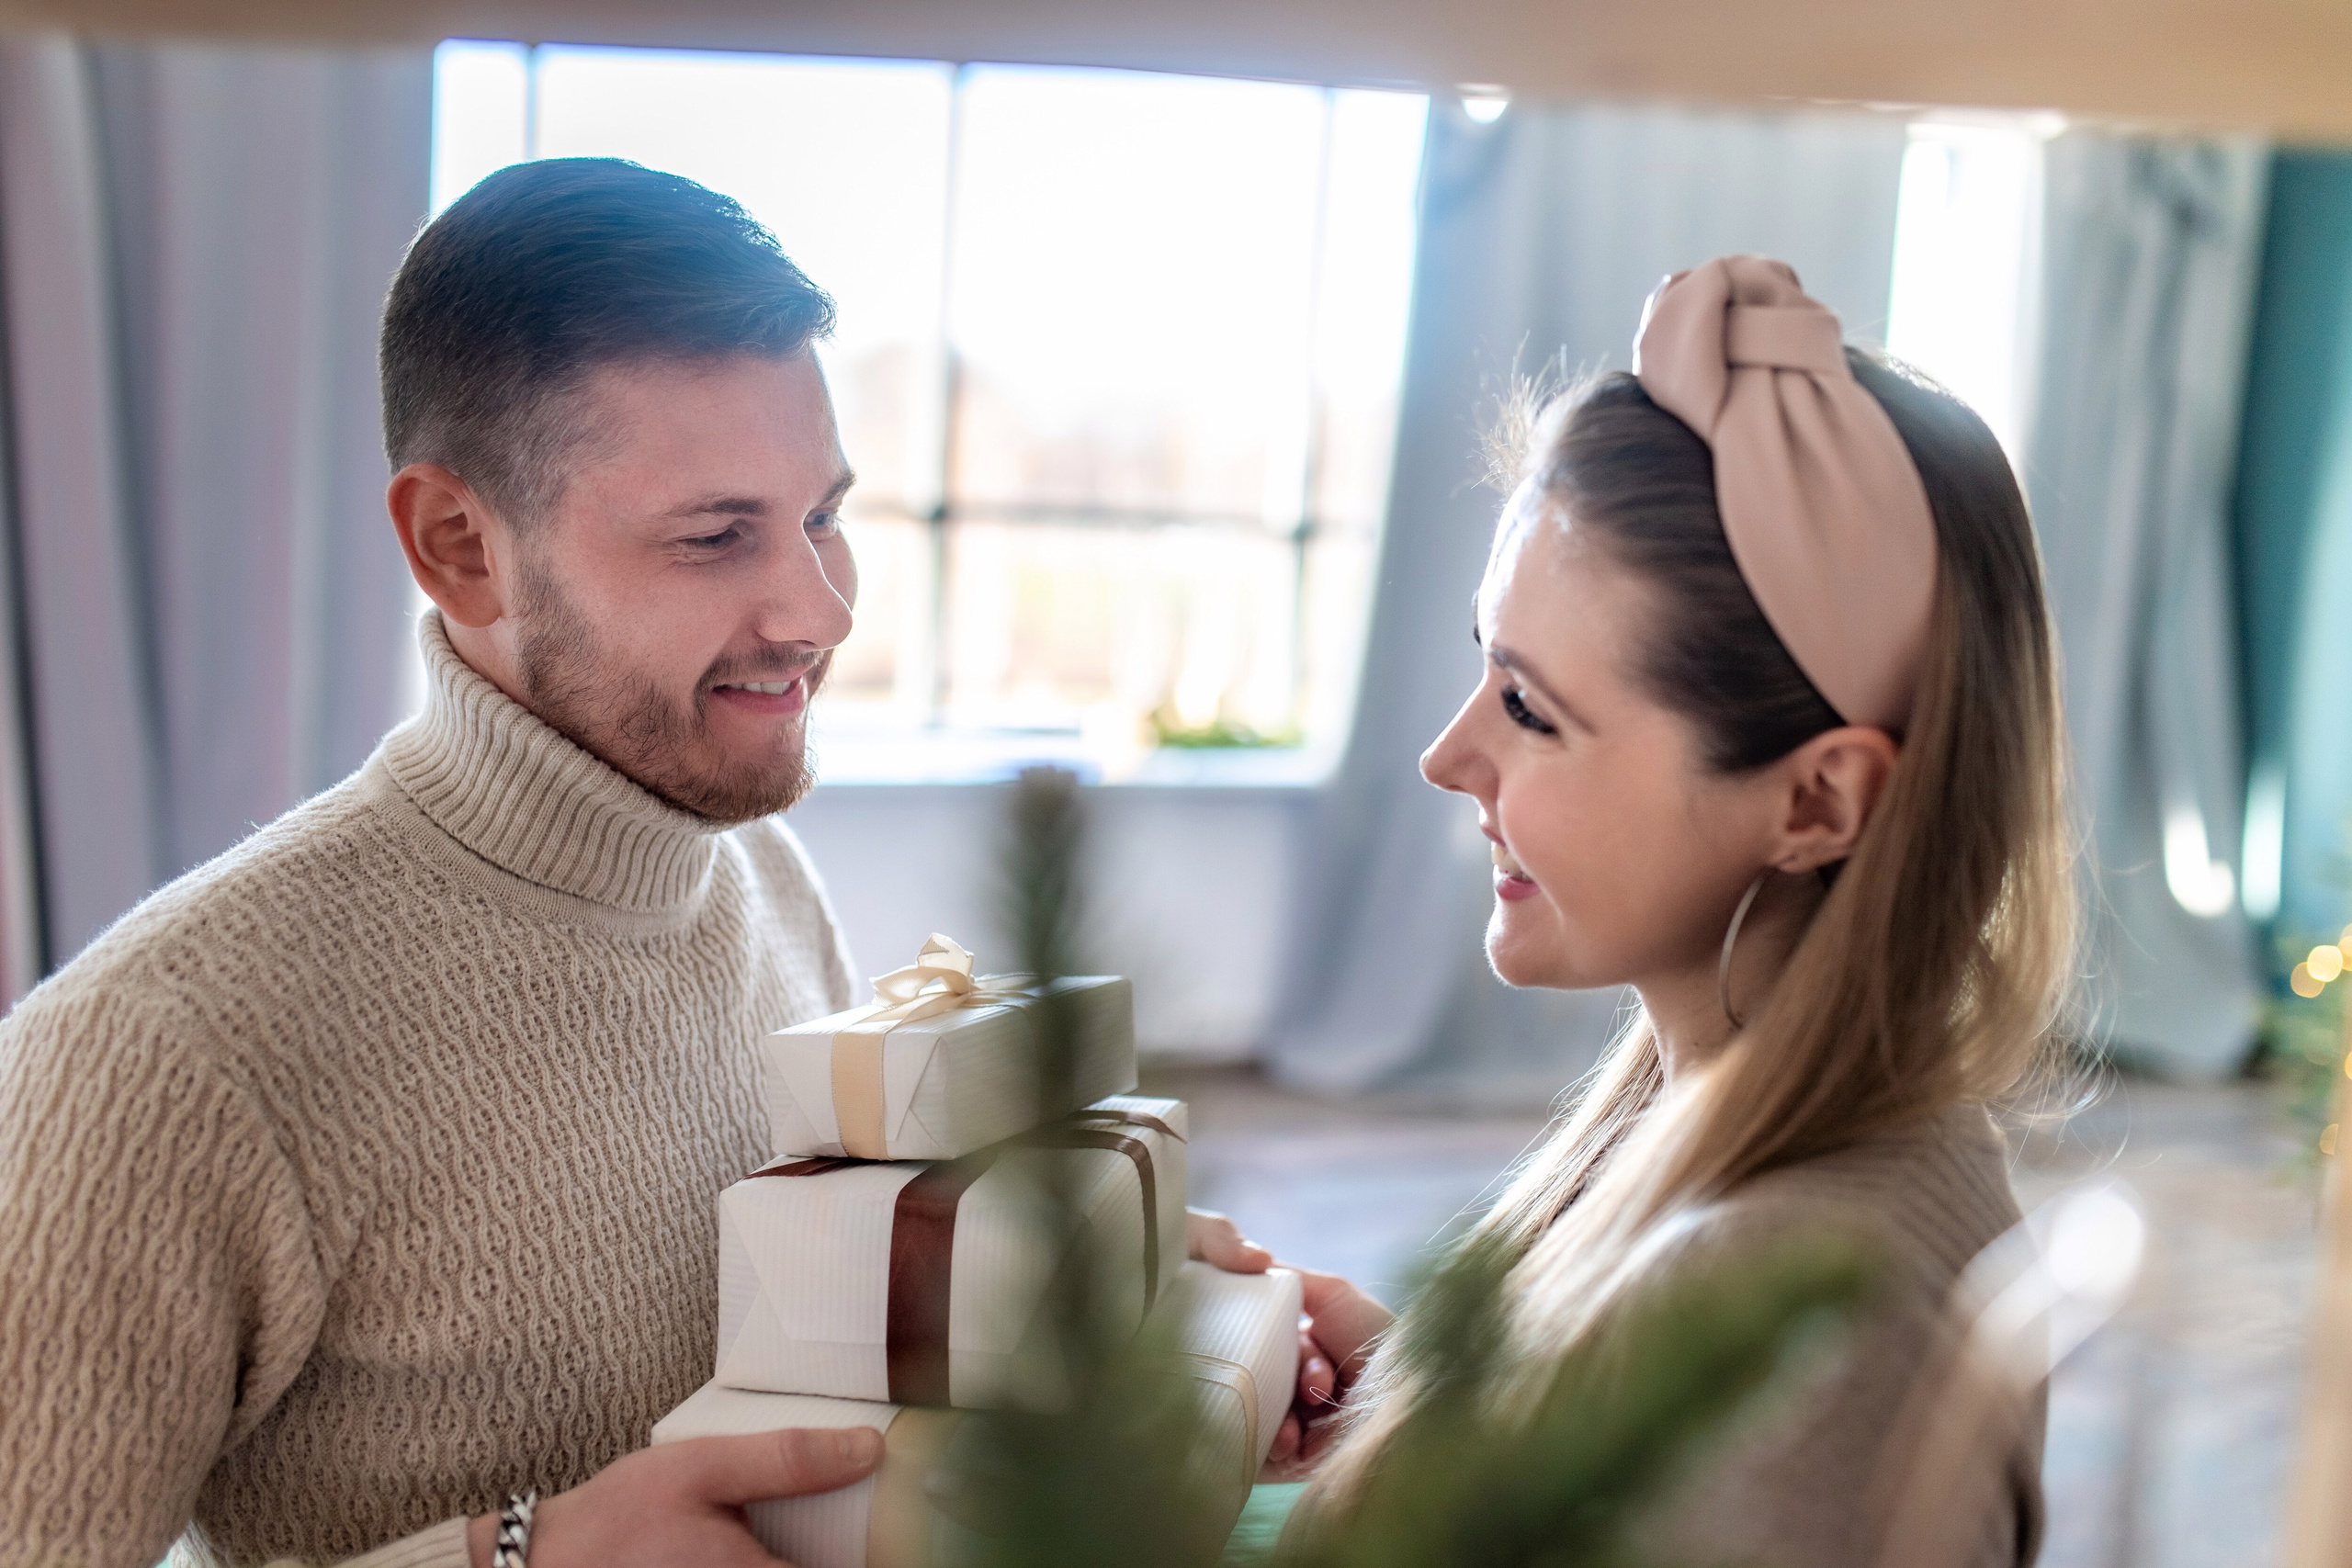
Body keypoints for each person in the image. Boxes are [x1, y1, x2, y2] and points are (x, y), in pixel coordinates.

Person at [0, 155, 1271, 1568]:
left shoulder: (766, 882)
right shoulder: (153, 1058)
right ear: (458, 547)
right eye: (716, 536)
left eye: (823, 515)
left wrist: (1057, 1284)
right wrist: (517, 1558)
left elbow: (808, 1348)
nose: (820, 610)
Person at [1272, 255, 2073, 1566]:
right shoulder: (1734, 1124)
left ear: (1816, 802)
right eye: (1488, 664)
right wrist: (1422, 1428)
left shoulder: (1800, 1342)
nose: (1449, 755)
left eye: (1532, 709)